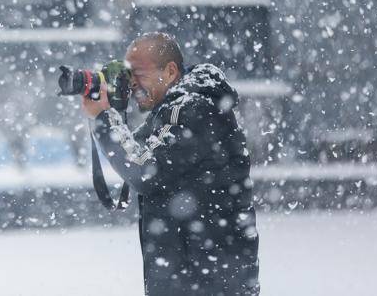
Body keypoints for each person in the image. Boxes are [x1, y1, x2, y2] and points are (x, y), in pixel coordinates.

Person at [82, 32, 260, 296]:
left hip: (205, 282)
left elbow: (144, 171)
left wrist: (102, 120)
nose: (131, 84)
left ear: (171, 70)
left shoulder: (193, 109)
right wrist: (109, 111)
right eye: (128, 76)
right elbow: (135, 152)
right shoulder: (172, 112)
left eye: (138, 73)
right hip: (205, 278)